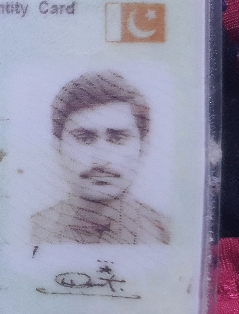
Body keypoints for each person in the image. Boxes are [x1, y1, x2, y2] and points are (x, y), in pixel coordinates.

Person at [31, 70, 170, 245]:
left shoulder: (170, 237)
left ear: (143, 148)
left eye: (117, 139)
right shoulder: (29, 234)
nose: (101, 159)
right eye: (84, 138)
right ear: (58, 147)